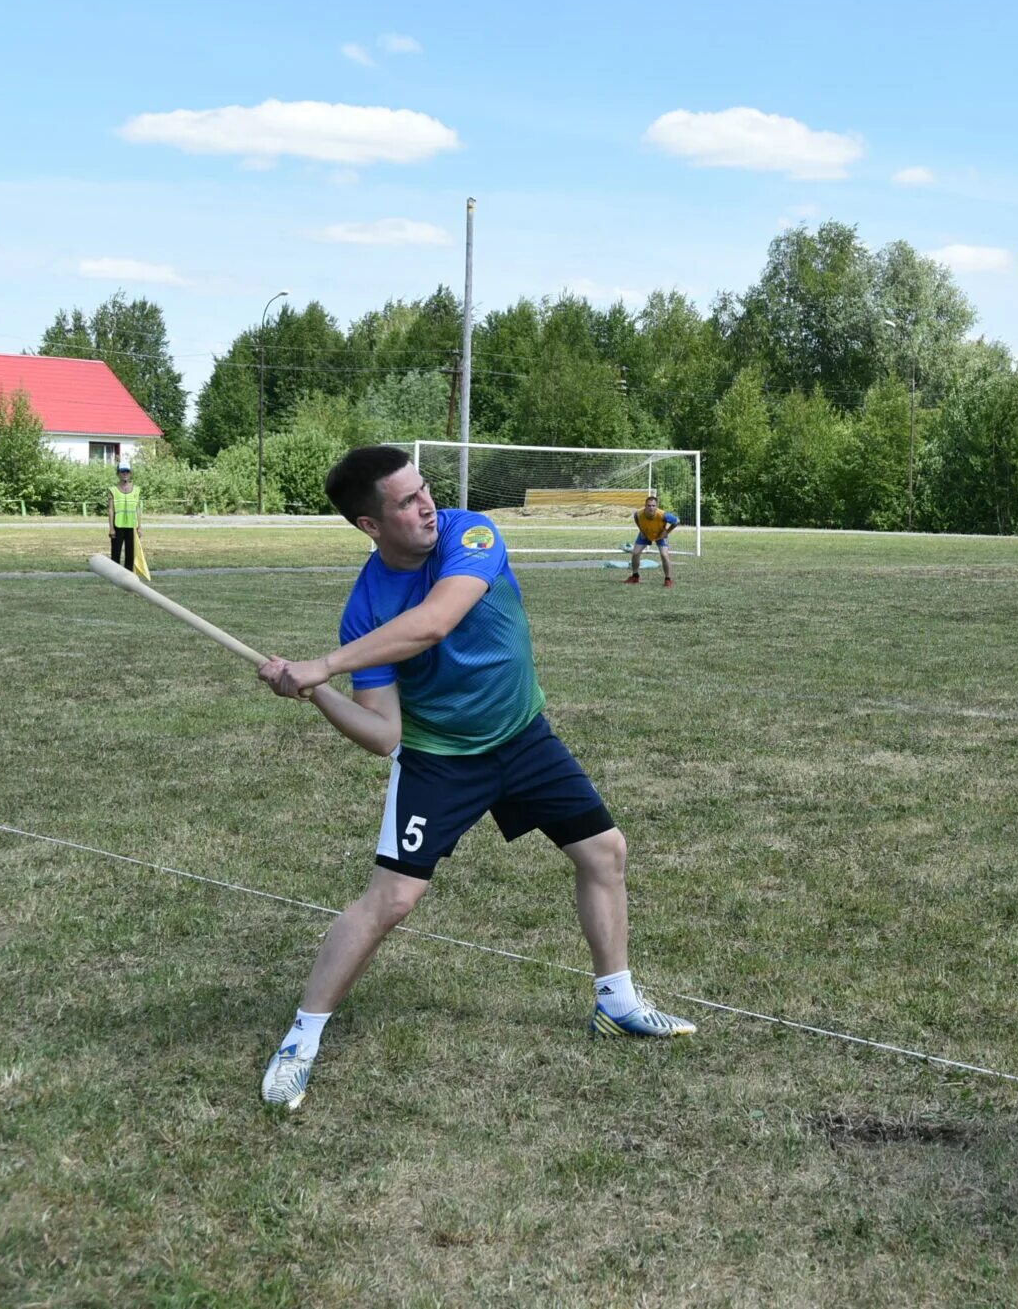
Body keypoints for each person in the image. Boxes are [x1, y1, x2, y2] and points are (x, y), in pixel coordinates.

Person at [254, 445, 695, 1111]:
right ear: (370, 525)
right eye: (405, 500)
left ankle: (617, 1002)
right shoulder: (366, 608)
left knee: (604, 851)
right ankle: (301, 1040)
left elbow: (434, 622)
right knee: (391, 901)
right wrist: (316, 693)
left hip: (523, 736)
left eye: (423, 488)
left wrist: (324, 664)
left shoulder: (471, 532)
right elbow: (382, 735)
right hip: (440, 760)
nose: (427, 503)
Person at [626, 493, 679, 586]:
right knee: (635, 553)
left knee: (664, 555)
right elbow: (636, 518)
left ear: (657, 506)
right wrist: (641, 530)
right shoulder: (639, 514)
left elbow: (677, 521)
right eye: (649, 505)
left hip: (660, 534)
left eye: (653, 506)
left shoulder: (663, 515)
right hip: (646, 533)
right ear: (645, 506)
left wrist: (667, 532)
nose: (651, 508)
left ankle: (668, 579)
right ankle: (635, 576)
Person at [107, 462, 141, 568]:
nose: (125, 474)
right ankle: (115, 575)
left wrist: (139, 527)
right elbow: (111, 509)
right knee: (116, 553)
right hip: (118, 525)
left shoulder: (136, 489)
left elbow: (137, 509)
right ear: (118, 473)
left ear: (130, 473)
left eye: (127, 471)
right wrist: (111, 528)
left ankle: (128, 575)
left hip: (132, 526)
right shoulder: (112, 490)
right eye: (122, 471)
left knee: (130, 553)